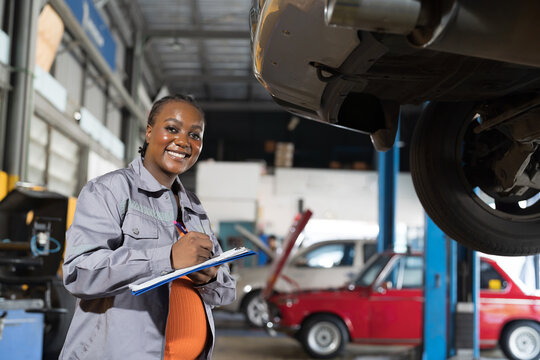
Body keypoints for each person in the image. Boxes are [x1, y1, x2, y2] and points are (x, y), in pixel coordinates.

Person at [60, 95, 236, 359]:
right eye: (172, 129)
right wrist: (166, 259)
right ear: (150, 131)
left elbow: (226, 291)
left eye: (195, 135)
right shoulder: (110, 191)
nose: (184, 141)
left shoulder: (195, 208)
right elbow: (79, 273)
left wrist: (210, 277)